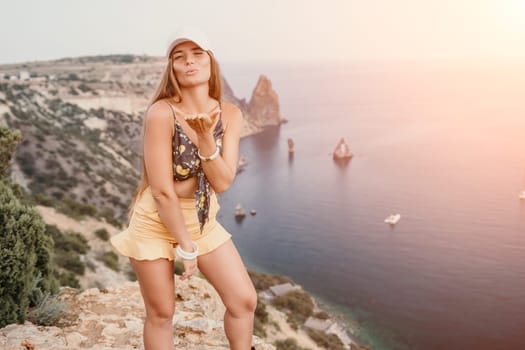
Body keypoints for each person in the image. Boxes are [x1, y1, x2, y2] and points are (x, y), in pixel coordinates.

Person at [110, 27, 257, 350]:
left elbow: (222, 181)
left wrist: (206, 138)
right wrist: (186, 247)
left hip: (202, 222)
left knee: (244, 301)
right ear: (172, 68)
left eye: (197, 54)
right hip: (155, 222)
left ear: (210, 62)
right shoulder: (161, 113)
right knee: (162, 313)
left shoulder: (230, 115)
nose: (189, 62)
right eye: (180, 57)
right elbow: (163, 190)